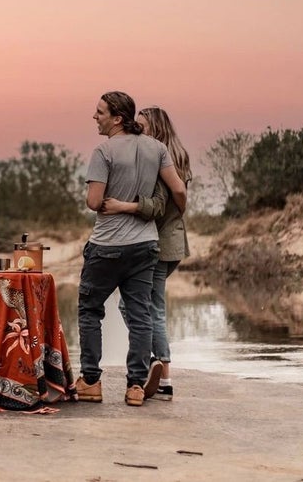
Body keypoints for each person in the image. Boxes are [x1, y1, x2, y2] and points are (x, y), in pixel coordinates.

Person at [75, 91, 187, 407]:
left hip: (108, 245)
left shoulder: (103, 151)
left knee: (90, 310)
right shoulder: (157, 148)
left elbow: (94, 202)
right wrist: (174, 217)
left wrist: (112, 201)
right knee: (141, 315)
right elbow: (177, 188)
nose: (94, 117)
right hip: (146, 245)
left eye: (100, 112)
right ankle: (136, 387)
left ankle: (91, 382)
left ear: (117, 118)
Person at [104, 106, 192, 401]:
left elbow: (156, 204)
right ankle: (158, 367)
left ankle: (160, 368)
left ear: (155, 128)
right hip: (172, 241)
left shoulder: (160, 158)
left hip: (159, 243)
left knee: (143, 309)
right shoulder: (176, 155)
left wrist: (120, 206)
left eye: (142, 126)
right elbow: (178, 197)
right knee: (148, 308)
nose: (137, 131)